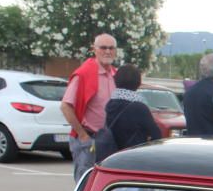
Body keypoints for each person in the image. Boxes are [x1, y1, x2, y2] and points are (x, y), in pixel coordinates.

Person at [60, 33, 118, 180]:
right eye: (103, 47)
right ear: (94, 49)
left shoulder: (115, 75)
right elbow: (66, 106)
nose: (107, 51)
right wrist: (83, 135)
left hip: (108, 141)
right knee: (84, 187)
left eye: (111, 48)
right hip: (88, 139)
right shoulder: (84, 74)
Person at [104, 65, 161, 151]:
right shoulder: (139, 107)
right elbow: (156, 135)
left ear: (116, 80)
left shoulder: (110, 103)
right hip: (132, 157)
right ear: (138, 83)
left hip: (111, 155)